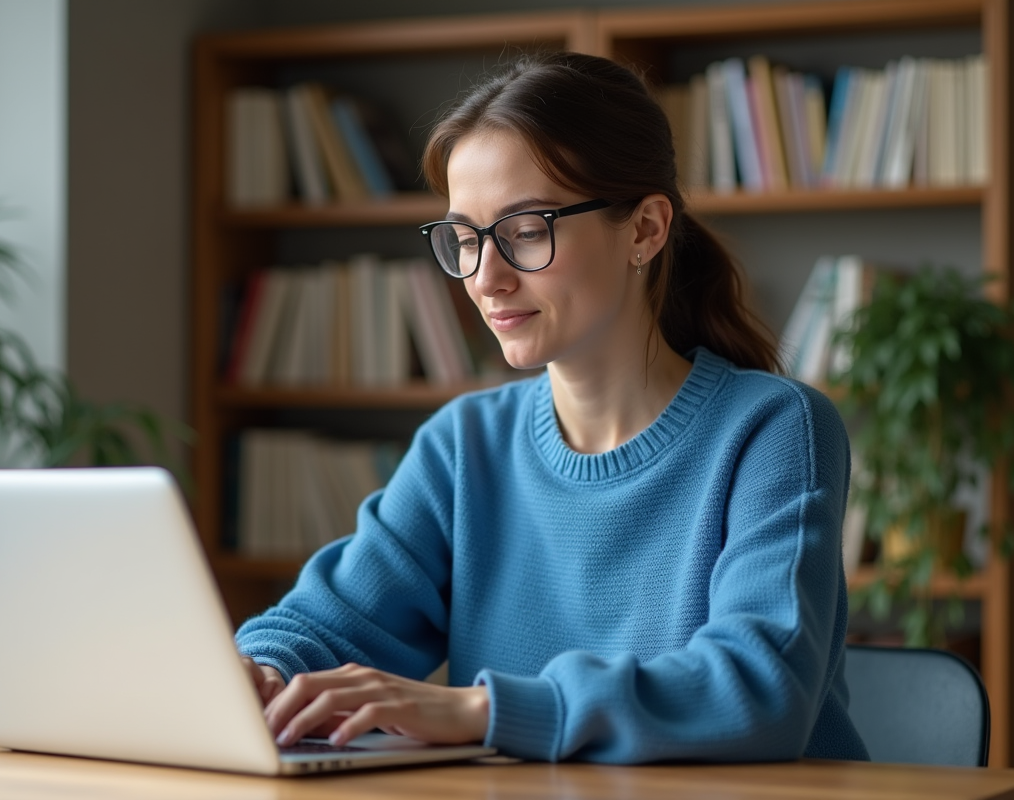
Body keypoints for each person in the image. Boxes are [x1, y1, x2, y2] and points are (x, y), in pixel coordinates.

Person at [235, 51, 869, 764]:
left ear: (644, 230)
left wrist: (482, 710)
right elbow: (330, 622)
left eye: (527, 230)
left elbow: (758, 690)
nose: (486, 277)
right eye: (465, 240)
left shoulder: (774, 429)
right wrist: (261, 673)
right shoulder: (464, 443)